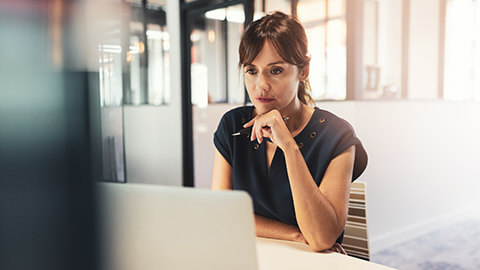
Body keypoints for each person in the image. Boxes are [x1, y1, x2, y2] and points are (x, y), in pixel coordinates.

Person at [212, 11, 368, 252]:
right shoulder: (233, 126)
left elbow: (322, 238)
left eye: (275, 71)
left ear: (303, 70)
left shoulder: (337, 136)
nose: (260, 85)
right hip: (253, 258)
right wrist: (295, 235)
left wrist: (289, 146)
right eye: (251, 71)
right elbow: (222, 214)